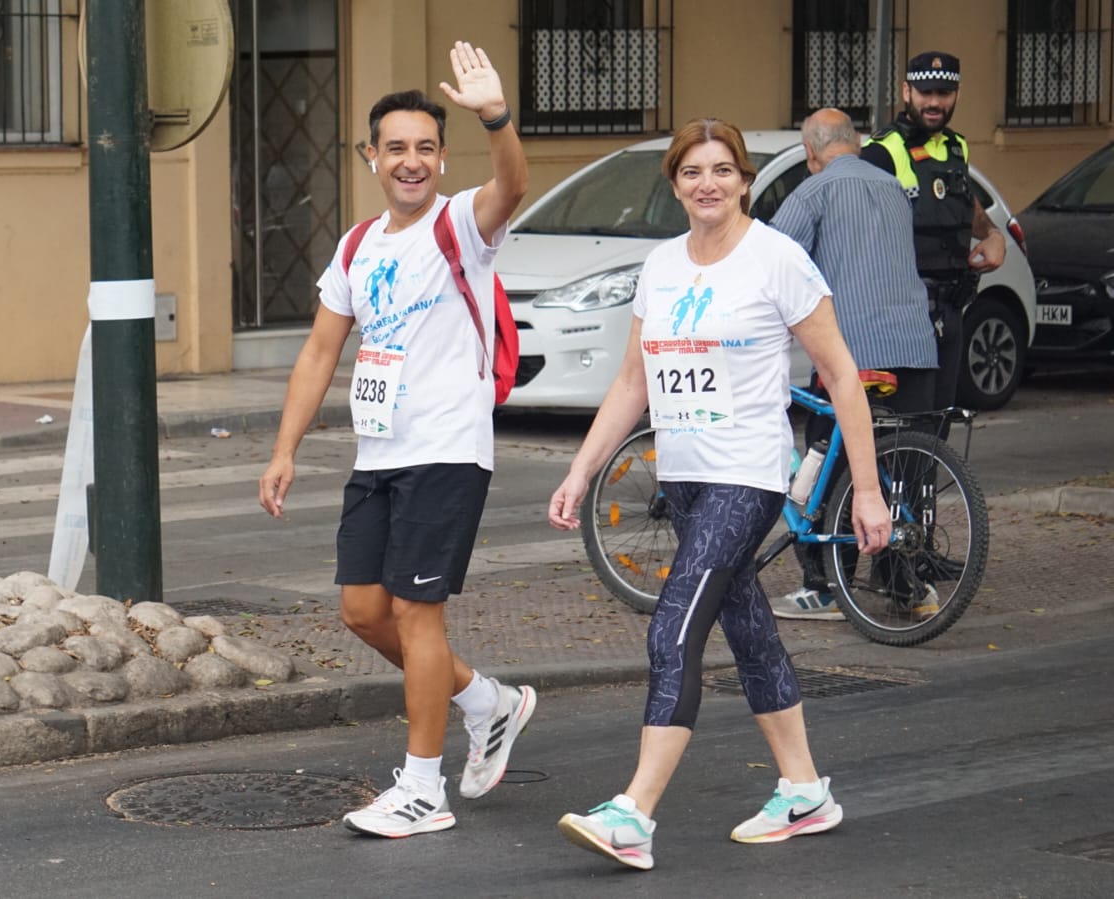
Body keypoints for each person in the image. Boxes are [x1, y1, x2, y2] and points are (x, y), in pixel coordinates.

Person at [546, 118, 891, 871]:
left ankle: (634, 812)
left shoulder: (776, 261)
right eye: (692, 171)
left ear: (743, 180)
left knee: (672, 626)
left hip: (748, 473)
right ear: (674, 184)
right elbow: (633, 381)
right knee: (747, 629)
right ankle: (803, 790)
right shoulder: (662, 266)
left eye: (722, 170)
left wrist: (865, 488)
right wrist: (581, 470)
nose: (707, 183)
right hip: (687, 477)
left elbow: (839, 372)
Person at [257, 41, 535, 839]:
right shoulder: (355, 245)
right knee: (359, 609)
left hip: (447, 447)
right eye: (395, 149)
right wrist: (285, 449)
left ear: (442, 158)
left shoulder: (461, 223)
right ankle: (489, 702)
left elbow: (511, 183)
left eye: (424, 148)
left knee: (417, 614)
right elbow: (319, 351)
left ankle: (422, 788)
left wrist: (495, 117)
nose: (409, 162)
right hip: (379, 451)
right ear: (370, 156)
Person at [768, 108, 937, 621]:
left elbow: (771, 260)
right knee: (903, 471)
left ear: (810, 154)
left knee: (832, 463)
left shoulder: (812, 192)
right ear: (858, 143)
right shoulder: (893, 189)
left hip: (852, 355)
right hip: (915, 349)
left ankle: (823, 587)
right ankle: (906, 585)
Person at [861, 52, 1007, 426]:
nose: (935, 102)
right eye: (926, 92)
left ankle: (923, 486)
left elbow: (963, 203)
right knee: (908, 428)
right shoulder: (882, 151)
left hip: (952, 309)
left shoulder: (957, 147)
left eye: (944, 93)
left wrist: (991, 234)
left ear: (957, 94)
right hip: (905, 314)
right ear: (906, 91)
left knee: (939, 425)